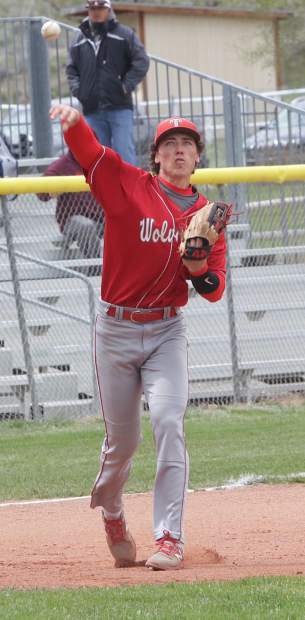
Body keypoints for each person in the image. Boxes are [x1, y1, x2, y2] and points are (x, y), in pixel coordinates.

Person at [49, 102, 228, 571]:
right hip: (116, 330)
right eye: (170, 144)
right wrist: (74, 122)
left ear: (197, 156)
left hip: (167, 329)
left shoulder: (209, 216)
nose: (179, 150)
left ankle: (169, 537)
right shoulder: (129, 184)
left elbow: (214, 290)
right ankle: (111, 510)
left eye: (187, 144)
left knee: (169, 423)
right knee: (121, 445)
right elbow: (90, 153)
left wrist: (198, 270)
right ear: (157, 157)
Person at [66, 0, 150, 165]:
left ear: (109, 9)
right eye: (92, 8)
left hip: (119, 106)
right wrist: (80, 91)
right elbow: (71, 70)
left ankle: (129, 191)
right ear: (88, 10)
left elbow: (142, 62)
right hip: (91, 110)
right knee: (98, 159)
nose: (96, 11)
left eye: (101, 7)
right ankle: (102, 191)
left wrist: (126, 86)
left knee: (124, 154)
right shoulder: (79, 39)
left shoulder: (124, 34)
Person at [37, 149, 104, 260]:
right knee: (86, 226)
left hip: (99, 218)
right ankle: (95, 267)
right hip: (72, 220)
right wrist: (51, 190)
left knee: (127, 217)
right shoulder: (63, 165)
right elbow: (40, 192)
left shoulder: (100, 162)